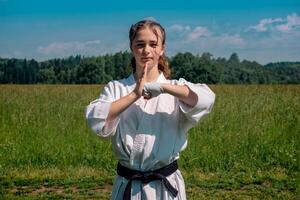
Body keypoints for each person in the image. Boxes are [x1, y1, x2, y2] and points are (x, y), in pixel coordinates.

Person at [85, 19, 215, 200]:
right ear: (131, 48)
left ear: (162, 49)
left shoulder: (175, 88)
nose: (146, 50)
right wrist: (134, 95)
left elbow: (206, 100)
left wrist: (163, 88)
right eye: (140, 44)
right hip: (128, 185)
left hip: (164, 188)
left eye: (153, 44)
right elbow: (95, 118)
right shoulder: (117, 88)